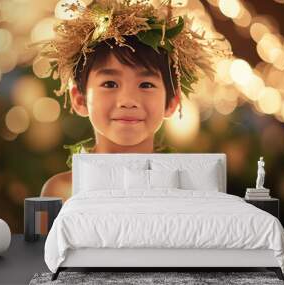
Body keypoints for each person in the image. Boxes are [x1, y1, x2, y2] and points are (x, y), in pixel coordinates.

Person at [33, 0, 228, 201]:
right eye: (109, 84)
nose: (128, 101)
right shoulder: (61, 191)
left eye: (146, 85)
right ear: (80, 99)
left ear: (171, 102)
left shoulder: (187, 190)